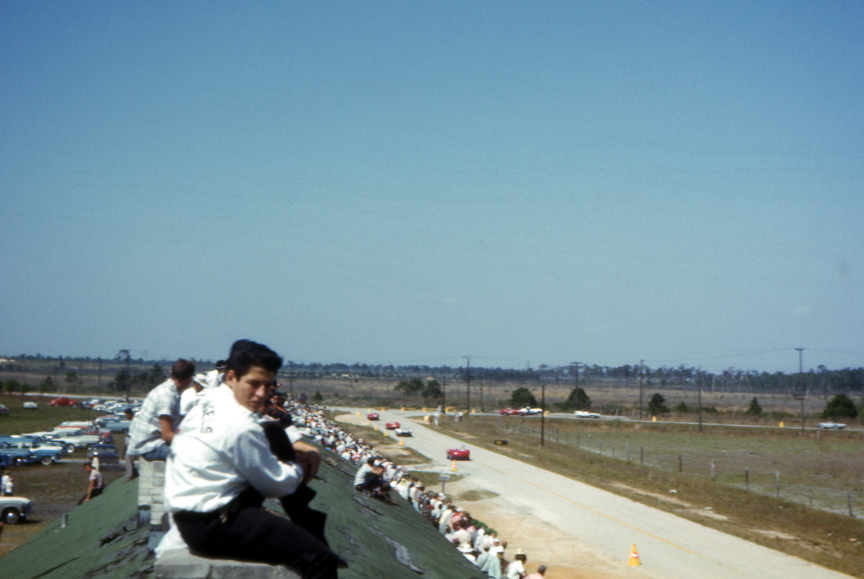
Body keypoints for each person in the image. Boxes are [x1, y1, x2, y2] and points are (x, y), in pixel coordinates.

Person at [163, 340, 342, 579]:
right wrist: (297, 467)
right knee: (320, 560)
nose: (261, 394)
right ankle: (310, 533)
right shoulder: (240, 425)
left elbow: (263, 432)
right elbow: (276, 484)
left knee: (272, 431)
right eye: (254, 384)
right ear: (232, 377)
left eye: (268, 386)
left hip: (191, 511)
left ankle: (305, 524)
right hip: (213, 524)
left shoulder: (211, 398)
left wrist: (298, 447)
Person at [126, 359, 196, 463]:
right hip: (150, 446)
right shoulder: (167, 397)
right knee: (191, 456)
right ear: (188, 379)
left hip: (156, 442)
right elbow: (167, 434)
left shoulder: (169, 390)